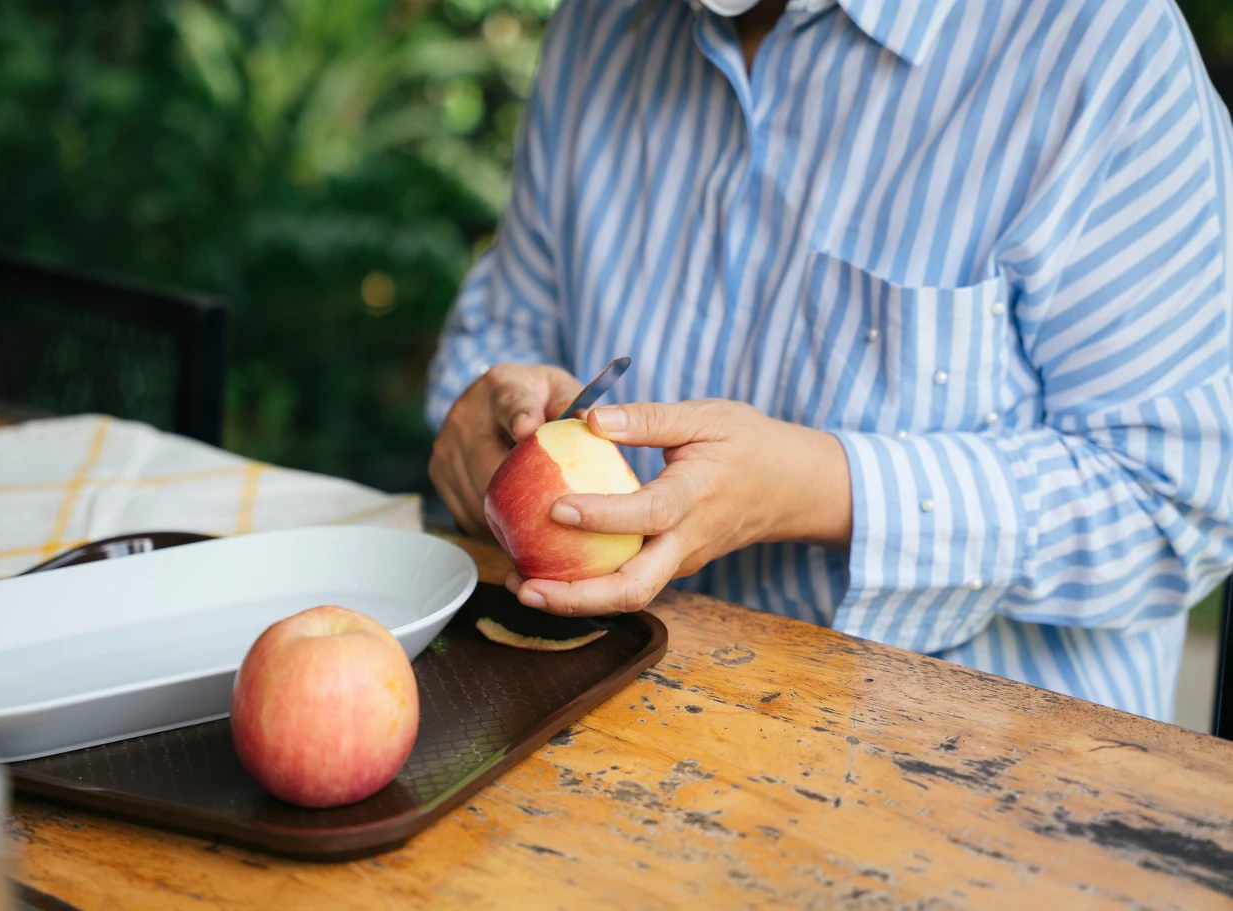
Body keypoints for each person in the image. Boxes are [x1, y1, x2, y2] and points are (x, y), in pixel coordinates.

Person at [425, 0, 1233, 723]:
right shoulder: (598, 27)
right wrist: (488, 415)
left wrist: (822, 487)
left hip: (971, 787)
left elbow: (1184, 496)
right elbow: (501, 338)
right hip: (623, 726)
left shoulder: (1095, 43)